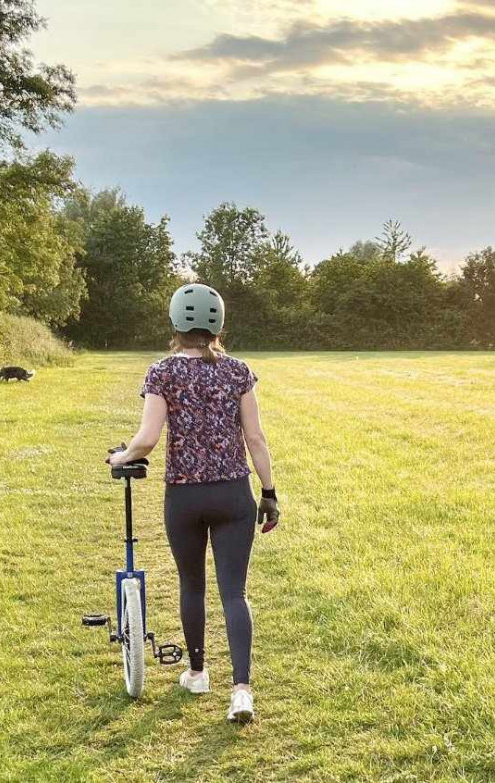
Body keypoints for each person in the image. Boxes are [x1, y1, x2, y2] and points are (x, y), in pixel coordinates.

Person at [107, 283, 280, 723]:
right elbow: (255, 438)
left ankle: (198, 672)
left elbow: (146, 440)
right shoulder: (238, 371)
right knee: (234, 593)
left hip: (184, 495)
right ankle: (241, 691)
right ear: (218, 324)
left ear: (175, 323)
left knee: (192, 585)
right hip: (233, 493)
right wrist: (270, 491)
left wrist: (121, 456)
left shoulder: (162, 372)